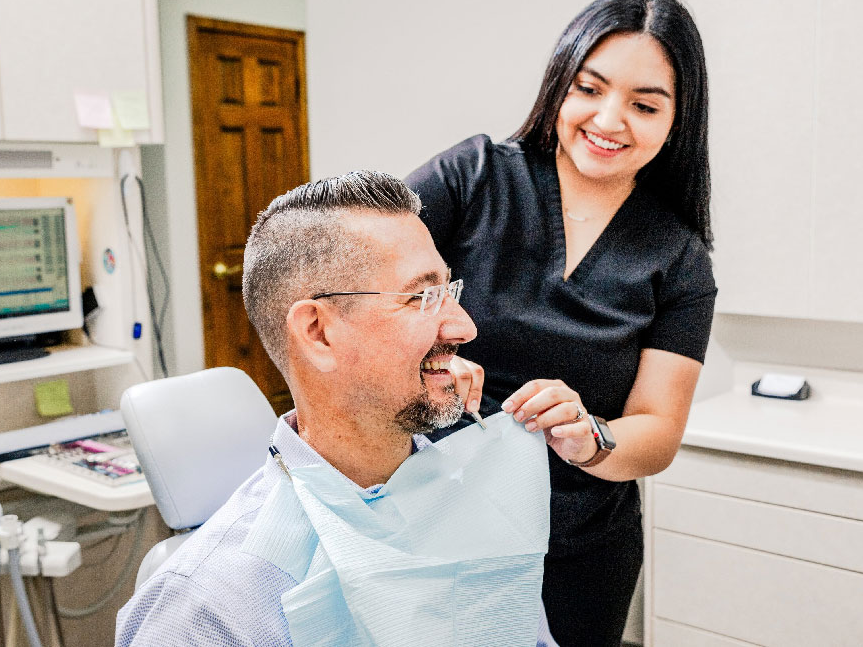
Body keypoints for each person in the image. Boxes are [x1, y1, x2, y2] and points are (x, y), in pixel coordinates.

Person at [115, 171, 556, 646]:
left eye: (450, 292)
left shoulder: (477, 513)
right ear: (318, 333)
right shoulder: (209, 610)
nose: (463, 326)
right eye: (421, 297)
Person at [404, 0, 717, 647]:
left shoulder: (680, 258)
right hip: (431, 525)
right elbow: (358, 269)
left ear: (677, 120)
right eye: (589, 88)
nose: (609, 119)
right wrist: (425, 355)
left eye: (644, 104)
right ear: (559, 86)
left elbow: (658, 431)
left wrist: (591, 436)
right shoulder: (475, 176)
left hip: (578, 554)